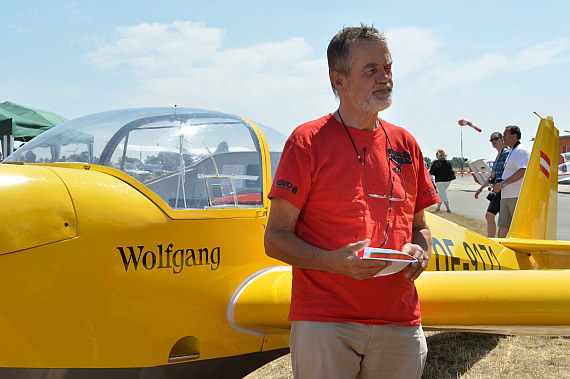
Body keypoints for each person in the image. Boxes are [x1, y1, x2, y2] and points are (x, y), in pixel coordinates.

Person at [264, 25, 440, 379]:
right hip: (326, 321)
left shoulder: (406, 143)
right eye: (371, 70)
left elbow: (420, 227)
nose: (385, 78)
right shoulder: (307, 141)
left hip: (400, 319)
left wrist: (421, 251)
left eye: (387, 68)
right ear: (338, 80)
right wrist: (333, 263)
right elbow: (275, 239)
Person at [492, 125, 530, 238]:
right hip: (506, 195)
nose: (502, 137)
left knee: (517, 227)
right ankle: (500, 248)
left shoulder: (520, 150)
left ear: (514, 136)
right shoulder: (512, 151)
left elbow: (523, 170)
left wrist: (503, 183)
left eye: (505, 135)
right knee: (503, 225)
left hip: (516, 195)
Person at [474, 132, 510, 237]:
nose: (493, 141)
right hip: (496, 190)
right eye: (491, 140)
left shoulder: (507, 154)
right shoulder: (498, 156)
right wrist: (480, 189)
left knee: (498, 218)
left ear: (502, 139)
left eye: (496, 139)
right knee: (490, 216)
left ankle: (495, 241)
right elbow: (492, 177)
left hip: (504, 190)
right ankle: (492, 240)